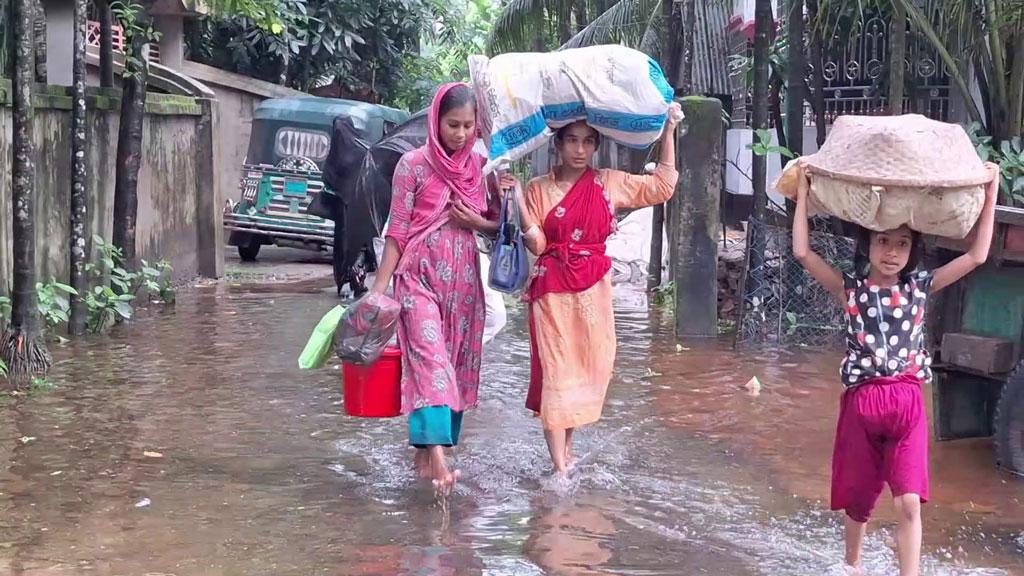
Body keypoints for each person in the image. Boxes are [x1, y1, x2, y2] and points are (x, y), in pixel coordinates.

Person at [790, 160, 1000, 576]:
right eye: (883, 241)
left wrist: (991, 193)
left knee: (908, 500)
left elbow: (977, 254)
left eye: (902, 244)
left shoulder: (920, 287)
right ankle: (853, 566)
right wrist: (802, 189)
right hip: (861, 407)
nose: (892, 252)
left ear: (912, 252)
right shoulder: (850, 289)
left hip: (906, 404)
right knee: (857, 502)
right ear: (867, 246)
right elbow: (801, 251)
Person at [511, 109, 682, 477]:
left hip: (594, 291)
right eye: (571, 140)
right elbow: (539, 245)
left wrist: (668, 131)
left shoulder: (607, 183)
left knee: (587, 367)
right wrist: (520, 204)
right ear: (558, 144)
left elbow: (662, 187)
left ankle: (567, 451)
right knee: (557, 372)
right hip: (552, 288)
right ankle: (559, 470)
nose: (579, 149)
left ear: (596, 146)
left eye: (587, 142)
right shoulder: (539, 189)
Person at [370, 82, 514, 495]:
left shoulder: (483, 169)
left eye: (469, 126)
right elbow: (397, 231)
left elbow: (498, 229)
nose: (462, 134)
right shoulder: (412, 166)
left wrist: (493, 210)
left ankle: (424, 452)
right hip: (417, 279)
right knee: (431, 363)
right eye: (453, 124)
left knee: (456, 367)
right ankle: (439, 460)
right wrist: (380, 291)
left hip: (465, 284)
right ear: (437, 120)